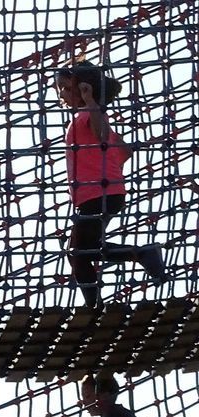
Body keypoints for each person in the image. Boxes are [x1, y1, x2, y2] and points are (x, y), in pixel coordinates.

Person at [55, 61, 166, 307]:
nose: (61, 94)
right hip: (103, 192)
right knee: (84, 249)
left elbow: (102, 134)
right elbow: (123, 150)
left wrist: (91, 101)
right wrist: (109, 167)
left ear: (84, 88)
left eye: (64, 88)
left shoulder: (89, 114)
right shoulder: (85, 117)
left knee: (78, 252)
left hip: (98, 193)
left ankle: (95, 305)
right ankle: (140, 255)